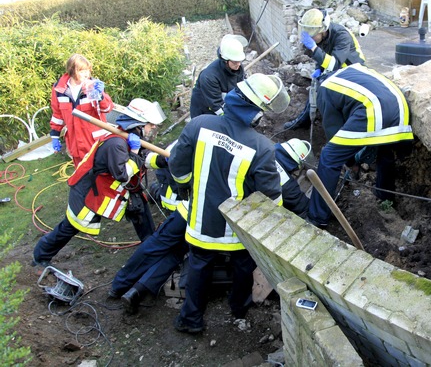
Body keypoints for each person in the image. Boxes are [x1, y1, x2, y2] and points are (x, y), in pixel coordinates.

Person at [109, 138, 312, 315]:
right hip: (212, 220)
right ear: (294, 166)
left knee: (161, 245)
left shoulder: (242, 147)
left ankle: (125, 287)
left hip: (189, 208)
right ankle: (139, 290)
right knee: (181, 253)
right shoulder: (279, 174)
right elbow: (300, 205)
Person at [169, 73, 290, 333]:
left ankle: (191, 319)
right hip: (237, 230)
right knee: (243, 267)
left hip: (201, 222)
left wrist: (187, 184)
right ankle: (239, 308)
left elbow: (177, 167)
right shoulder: (262, 146)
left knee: (199, 266)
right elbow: (271, 196)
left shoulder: (198, 124)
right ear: (256, 112)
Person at [33, 99, 167, 268]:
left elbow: (143, 158)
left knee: (140, 209)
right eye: (150, 125)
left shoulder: (132, 137)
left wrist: (164, 160)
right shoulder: (117, 144)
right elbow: (123, 175)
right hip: (89, 193)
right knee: (70, 227)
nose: (153, 128)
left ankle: (152, 251)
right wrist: (133, 152)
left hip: (117, 189)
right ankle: (40, 256)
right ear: (139, 123)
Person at [306, 63, 414, 228]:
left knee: (329, 157)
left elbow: (334, 133)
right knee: (384, 151)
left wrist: (351, 163)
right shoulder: (352, 71)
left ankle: (317, 217)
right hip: (401, 108)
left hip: (375, 110)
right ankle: (385, 196)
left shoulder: (325, 89)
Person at [284, 8, 366, 130]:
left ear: (323, 29)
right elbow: (323, 57)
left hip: (353, 72)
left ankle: (336, 130)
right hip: (337, 70)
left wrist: (314, 49)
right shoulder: (322, 37)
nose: (311, 39)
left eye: (313, 35)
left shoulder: (342, 36)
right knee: (316, 87)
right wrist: (318, 68)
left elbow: (334, 64)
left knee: (327, 93)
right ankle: (304, 119)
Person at [50, 54, 114, 167]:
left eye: (87, 71)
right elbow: (57, 114)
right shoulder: (59, 89)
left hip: (95, 141)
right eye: (82, 71)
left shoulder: (92, 87)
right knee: (81, 175)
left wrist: (101, 96)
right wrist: (55, 135)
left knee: (100, 175)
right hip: (75, 142)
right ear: (72, 71)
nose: (86, 74)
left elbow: (107, 108)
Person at [189, 35, 246, 118]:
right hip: (205, 112)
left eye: (240, 61)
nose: (239, 64)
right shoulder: (209, 77)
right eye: (235, 62)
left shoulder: (238, 68)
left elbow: (240, 89)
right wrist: (231, 118)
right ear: (225, 60)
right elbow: (216, 105)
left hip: (222, 103)